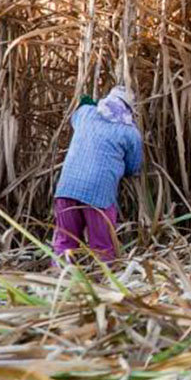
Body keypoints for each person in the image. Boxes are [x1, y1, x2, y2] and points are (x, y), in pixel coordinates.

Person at [52, 85, 143, 262]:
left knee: (64, 243)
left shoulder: (86, 113)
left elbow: (77, 113)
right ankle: (103, 286)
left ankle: (58, 282)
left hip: (66, 189)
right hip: (99, 196)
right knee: (103, 248)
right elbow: (133, 167)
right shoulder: (130, 133)